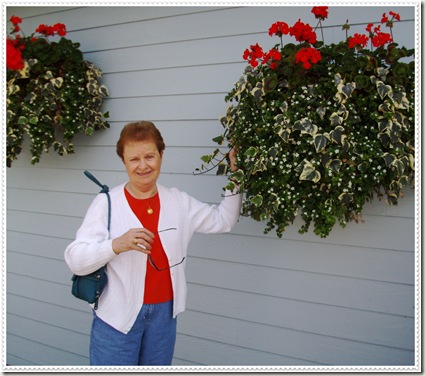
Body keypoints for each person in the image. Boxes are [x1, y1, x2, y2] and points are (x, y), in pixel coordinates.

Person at [64, 121, 242, 366]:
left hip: (163, 317)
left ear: (161, 155)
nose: (143, 165)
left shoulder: (178, 201)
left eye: (150, 156)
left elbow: (224, 221)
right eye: (134, 159)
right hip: (117, 317)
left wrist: (236, 176)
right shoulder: (107, 203)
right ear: (123, 162)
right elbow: (75, 259)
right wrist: (116, 244)